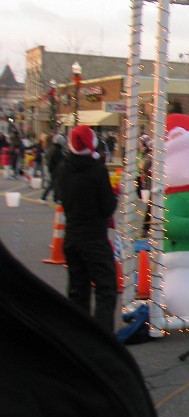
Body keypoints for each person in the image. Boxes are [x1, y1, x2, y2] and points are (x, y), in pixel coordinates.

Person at [55, 125, 119, 332]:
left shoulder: (63, 168)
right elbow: (107, 206)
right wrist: (114, 196)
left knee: (77, 289)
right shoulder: (97, 170)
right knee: (105, 288)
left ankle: (79, 335)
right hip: (94, 238)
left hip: (72, 236)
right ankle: (102, 336)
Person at [40, 133, 65, 204]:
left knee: (55, 184)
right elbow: (60, 160)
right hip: (55, 169)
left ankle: (56, 198)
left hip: (52, 169)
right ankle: (43, 197)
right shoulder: (57, 150)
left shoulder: (52, 148)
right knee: (52, 184)